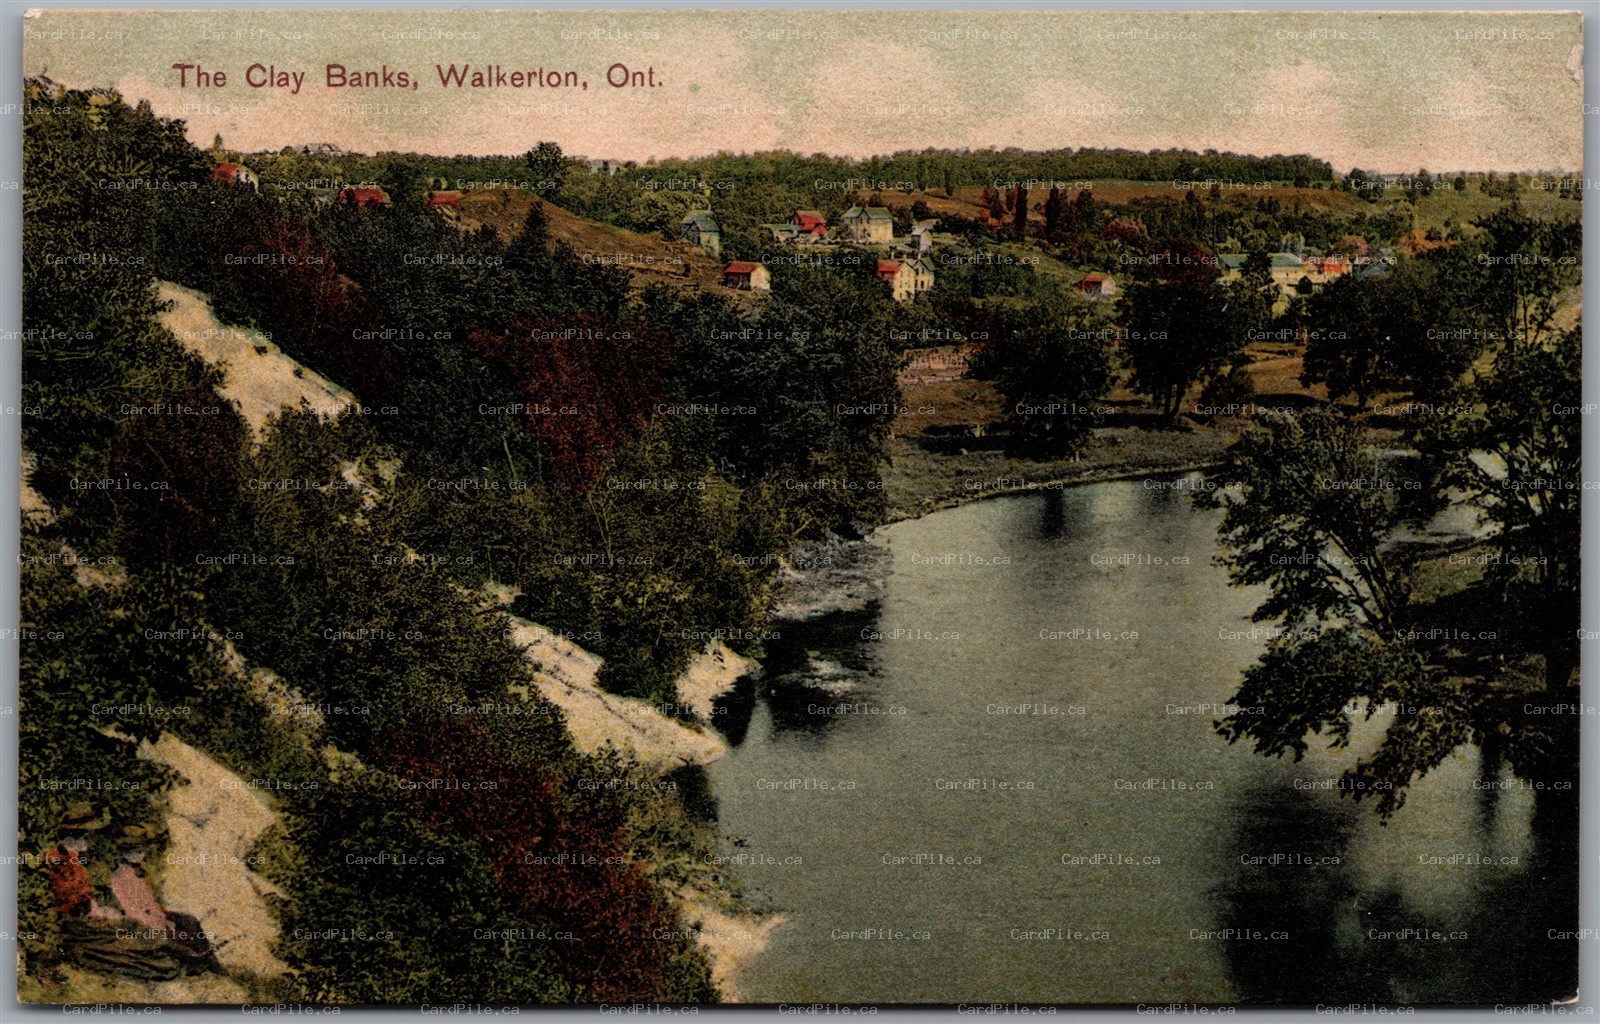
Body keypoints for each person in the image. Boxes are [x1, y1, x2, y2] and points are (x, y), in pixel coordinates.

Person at [46, 805, 181, 982]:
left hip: (84, 918)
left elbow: (84, 899)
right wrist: (102, 913)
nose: (87, 840)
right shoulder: (64, 861)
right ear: (73, 838)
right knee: (138, 946)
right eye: (85, 836)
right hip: (78, 924)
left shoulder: (70, 859)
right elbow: (77, 903)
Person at [110, 823, 221, 974]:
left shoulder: (140, 873)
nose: (140, 853)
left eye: (141, 849)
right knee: (177, 938)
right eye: (135, 850)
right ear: (124, 852)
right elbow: (133, 912)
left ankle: (208, 957)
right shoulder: (119, 878)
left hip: (157, 917)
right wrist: (161, 924)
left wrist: (165, 916)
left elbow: (153, 903)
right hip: (143, 924)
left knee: (189, 921)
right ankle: (198, 962)